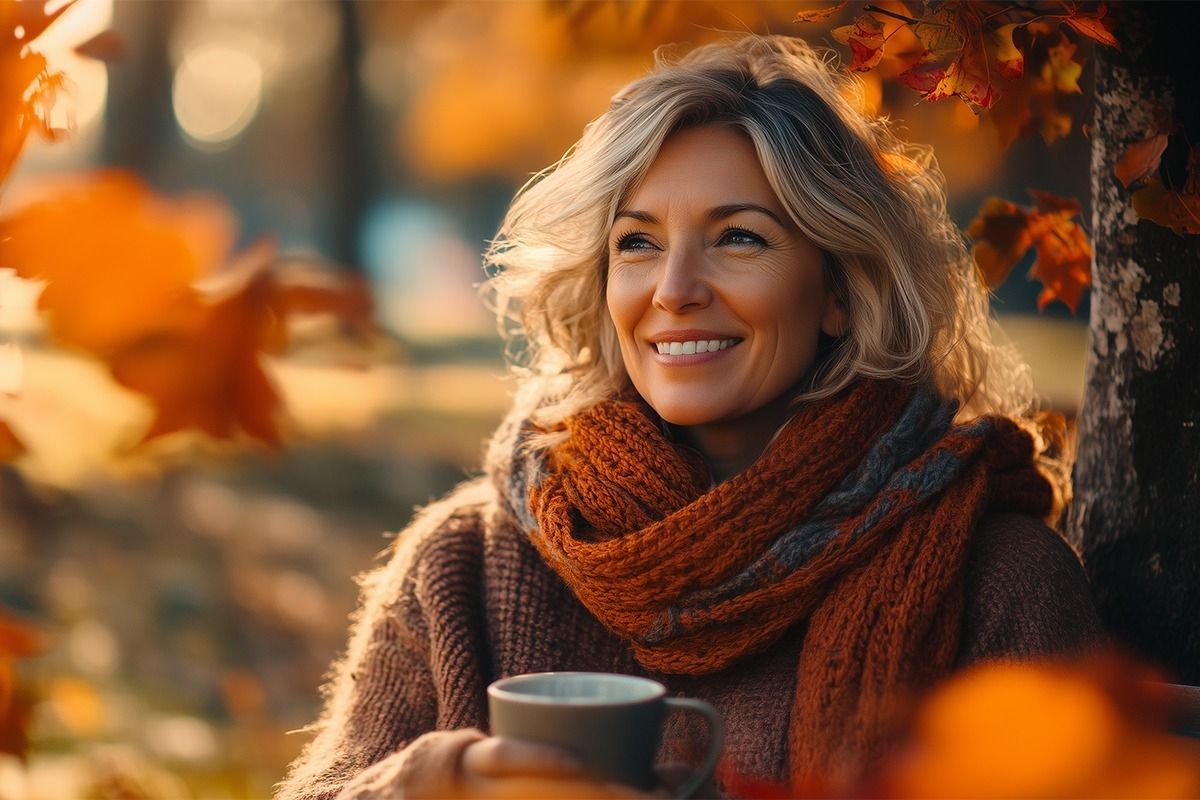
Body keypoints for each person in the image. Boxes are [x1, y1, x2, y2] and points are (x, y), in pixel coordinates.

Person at [277, 34, 1102, 800]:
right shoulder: (464, 565)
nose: (674, 290)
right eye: (637, 243)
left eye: (738, 238)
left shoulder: (998, 582)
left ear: (841, 293)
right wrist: (433, 783)